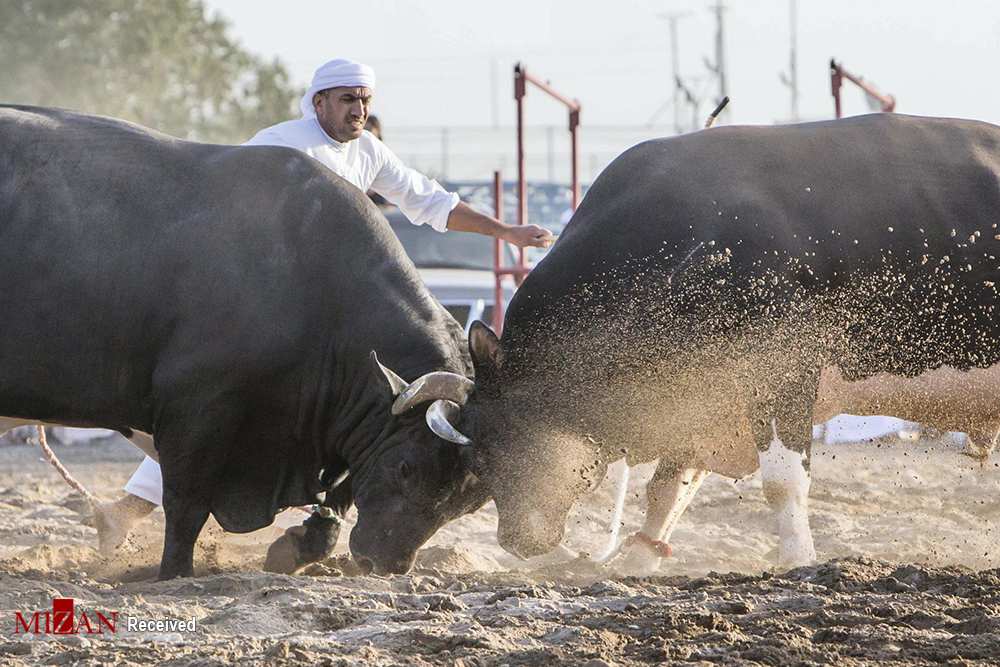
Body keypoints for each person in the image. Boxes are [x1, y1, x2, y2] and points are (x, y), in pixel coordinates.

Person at [93, 58, 553, 554]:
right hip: (264, 309)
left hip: (333, 322)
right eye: (347, 99)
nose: (358, 109)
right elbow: (214, 207)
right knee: (223, 404)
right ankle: (131, 511)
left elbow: (430, 202)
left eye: (365, 100)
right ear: (319, 103)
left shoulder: (369, 151)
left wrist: (504, 231)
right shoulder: (280, 145)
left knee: (364, 416)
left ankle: (323, 520)